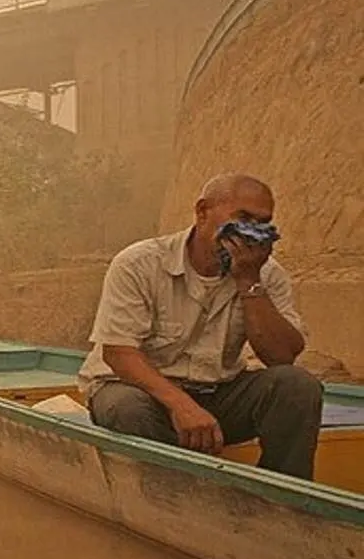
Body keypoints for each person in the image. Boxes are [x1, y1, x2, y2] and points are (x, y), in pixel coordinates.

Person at [77, 173, 323, 479]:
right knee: (126, 408)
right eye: (242, 218)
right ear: (203, 212)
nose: (251, 232)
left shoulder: (266, 274)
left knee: (297, 387)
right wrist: (182, 406)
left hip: (217, 395)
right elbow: (119, 353)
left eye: (262, 223)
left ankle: (281, 497)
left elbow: (282, 356)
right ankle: (169, 495)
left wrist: (249, 281)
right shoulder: (139, 263)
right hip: (144, 394)